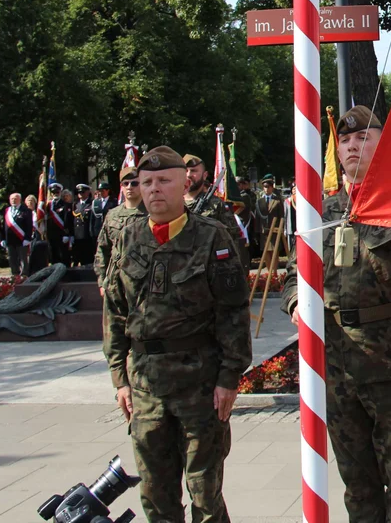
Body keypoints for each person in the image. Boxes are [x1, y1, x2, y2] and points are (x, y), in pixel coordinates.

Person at [280, 105, 391, 522]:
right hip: (337, 369)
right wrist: (294, 303)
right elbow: (293, 272)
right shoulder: (319, 211)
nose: (353, 146)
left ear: (383, 144)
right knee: (357, 487)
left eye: (364, 138)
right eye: (346, 140)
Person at [102, 146, 251, 523]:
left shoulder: (212, 237)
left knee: (205, 493)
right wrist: (120, 379)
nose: (153, 189)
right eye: (146, 181)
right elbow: (115, 312)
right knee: (155, 492)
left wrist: (229, 378)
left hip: (199, 383)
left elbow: (232, 312)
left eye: (163, 181)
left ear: (184, 183)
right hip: (145, 384)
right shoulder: (128, 236)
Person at [94, 166, 147, 294]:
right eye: (126, 183)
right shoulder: (112, 215)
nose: (130, 187)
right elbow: (102, 249)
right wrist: (102, 282)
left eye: (134, 183)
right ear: (121, 187)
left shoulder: (152, 213)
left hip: (144, 284)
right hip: (115, 284)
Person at [3, 192, 33, 276]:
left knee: (23, 258)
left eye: (15, 199)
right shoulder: (7, 210)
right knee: (12, 258)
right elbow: (4, 225)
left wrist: (27, 238)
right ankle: (15, 275)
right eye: (12, 199)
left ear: (20, 200)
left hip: (22, 239)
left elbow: (29, 226)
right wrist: (3, 238)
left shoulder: (26, 210)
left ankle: (24, 275)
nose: (13, 200)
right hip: (10, 239)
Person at [46, 183, 73, 266]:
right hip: (51, 235)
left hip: (62, 235)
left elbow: (67, 220)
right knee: (54, 256)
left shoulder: (65, 205)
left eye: (57, 192)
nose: (55, 194)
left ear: (60, 192)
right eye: (53, 193)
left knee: (64, 256)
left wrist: (66, 234)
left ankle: (67, 275)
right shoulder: (48, 206)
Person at [255, 174, 283, 247]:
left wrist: (281, 227)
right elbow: (257, 216)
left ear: (272, 187)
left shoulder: (277, 200)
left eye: (268, 187)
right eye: (265, 187)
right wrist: (257, 231)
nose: (266, 189)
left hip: (274, 229)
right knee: (265, 251)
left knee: (274, 251)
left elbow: (281, 215)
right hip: (264, 230)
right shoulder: (259, 201)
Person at [72, 184, 95, 266]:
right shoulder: (75, 205)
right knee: (77, 259)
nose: (80, 194)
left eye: (82, 192)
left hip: (87, 236)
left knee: (88, 260)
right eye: (79, 192)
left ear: (88, 192)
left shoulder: (92, 203)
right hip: (77, 237)